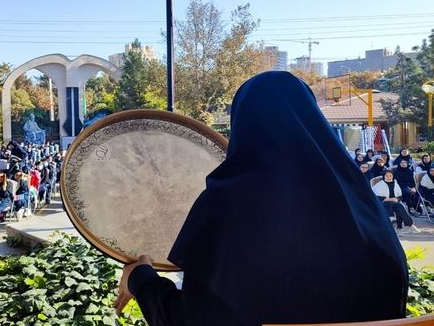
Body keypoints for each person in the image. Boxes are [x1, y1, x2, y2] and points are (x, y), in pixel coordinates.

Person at [114, 72, 408, 325]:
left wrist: (140, 279)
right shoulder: (364, 206)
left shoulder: (228, 205)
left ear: (242, 127)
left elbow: (192, 320)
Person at [372, 169, 419, 234]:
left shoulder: (395, 183)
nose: (388, 177)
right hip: (384, 203)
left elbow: (400, 196)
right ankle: (402, 226)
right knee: (390, 204)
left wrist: (396, 199)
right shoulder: (379, 185)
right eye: (387, 176)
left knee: (399, 206)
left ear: (393, 176)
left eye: (390, 176)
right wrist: (390, 199)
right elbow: (376, 197)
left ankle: (400, 225)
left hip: (395, 202)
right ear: (384, 176)